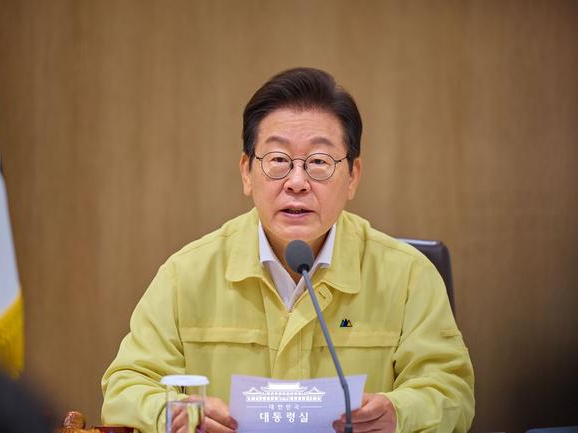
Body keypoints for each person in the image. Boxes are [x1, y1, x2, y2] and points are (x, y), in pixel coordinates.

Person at [101, 67, 474, 433]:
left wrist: (399, 413)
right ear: (247, 172)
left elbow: (451, 392)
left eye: (318, 162)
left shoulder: (408, 277)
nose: (297, 182)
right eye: (278, 160)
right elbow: (126, 386)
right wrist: (172, 415)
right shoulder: (186, 275)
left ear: (353, 176)